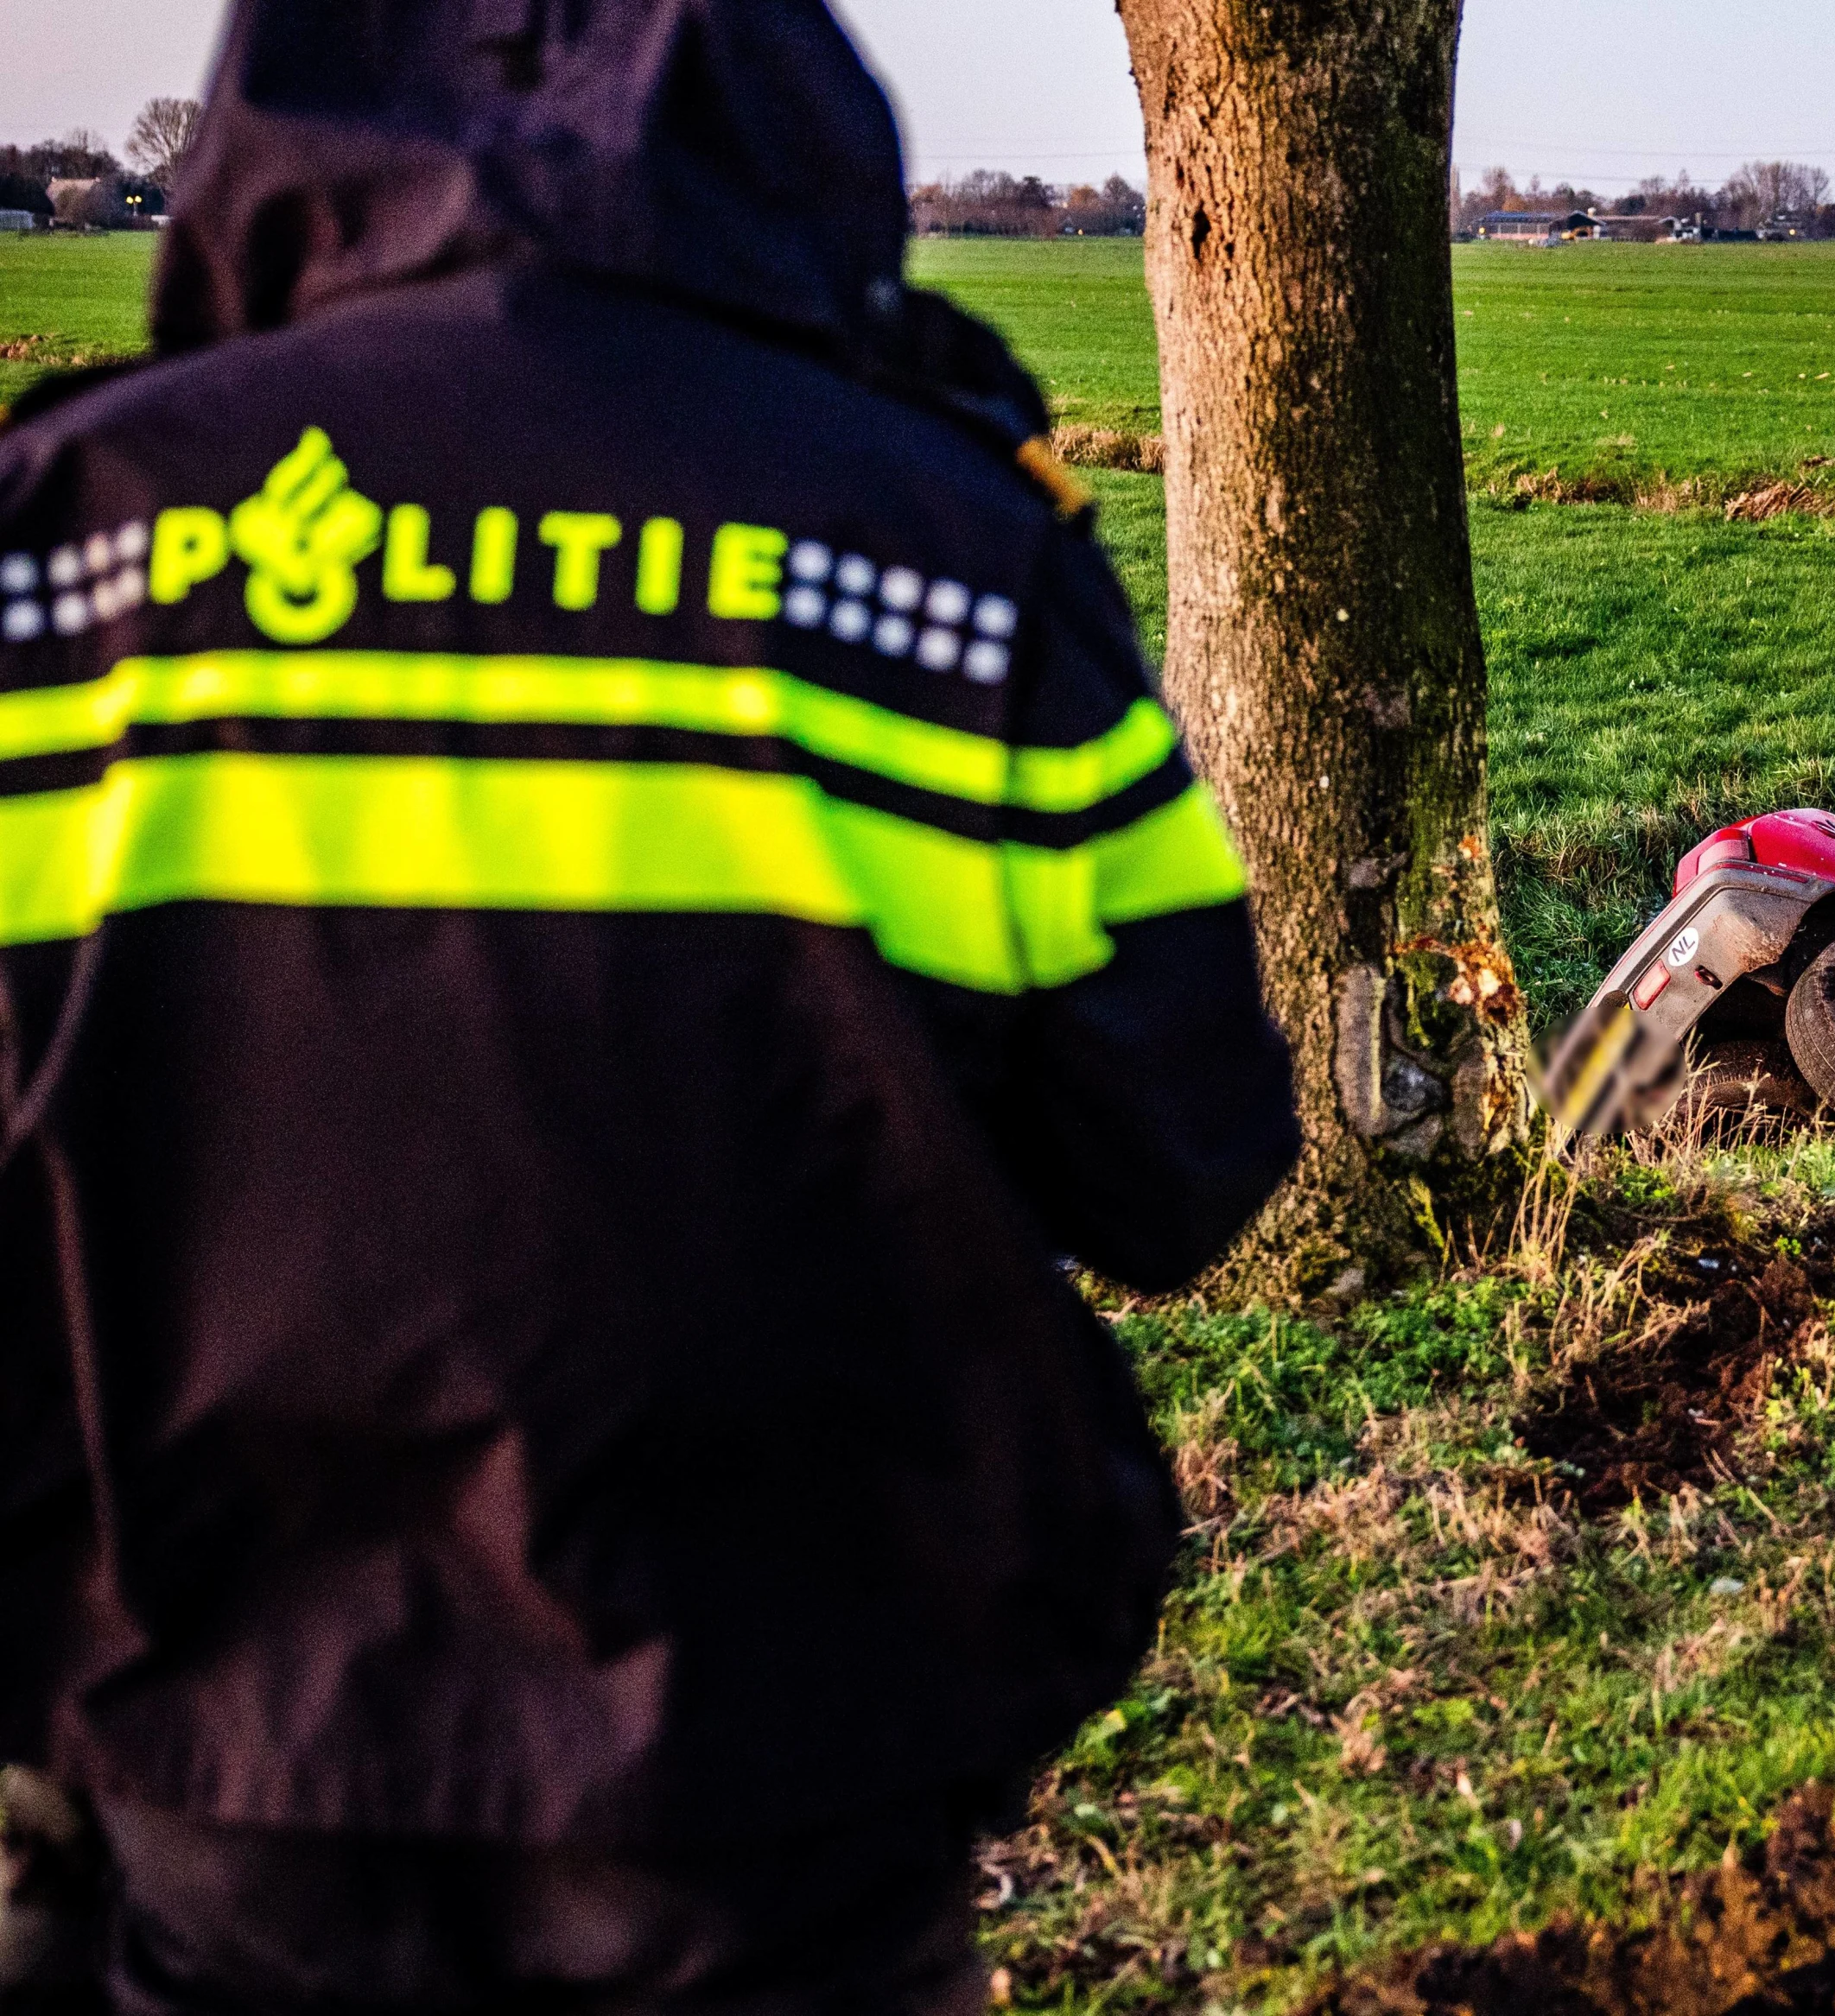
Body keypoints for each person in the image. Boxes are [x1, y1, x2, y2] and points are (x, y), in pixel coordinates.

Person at [0, 1, 1299, 2008]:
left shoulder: (52, 554)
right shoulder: (945, 555)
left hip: (206, 1722)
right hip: (790, 1743)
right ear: (778, 112)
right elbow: (1182, 1160)